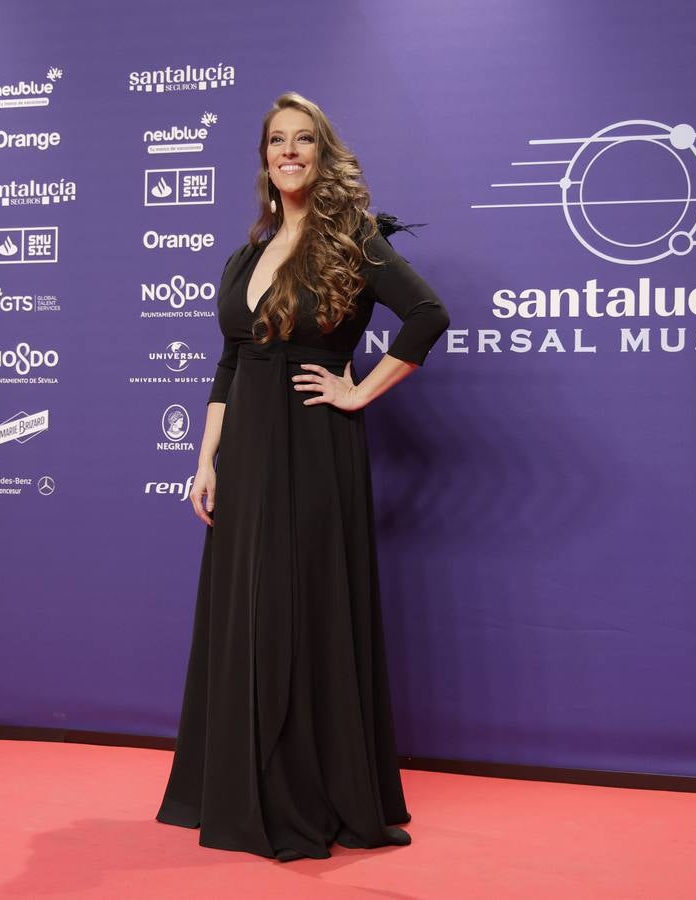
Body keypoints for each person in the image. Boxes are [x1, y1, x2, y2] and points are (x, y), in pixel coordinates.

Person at [155, 91, 450, 862]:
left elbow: (425, 316)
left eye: (304, 141)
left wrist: (356, 389)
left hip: (313, 450)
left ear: (322, 156)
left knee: (295, 613)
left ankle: (302, 794)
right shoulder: (246, 256)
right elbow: (229, 364)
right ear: (263, 159)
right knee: (245, 614)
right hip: (246, 458)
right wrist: (204, 459)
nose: (288, 152)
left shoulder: (353, 241)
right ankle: (234, 785)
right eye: (276, 141)